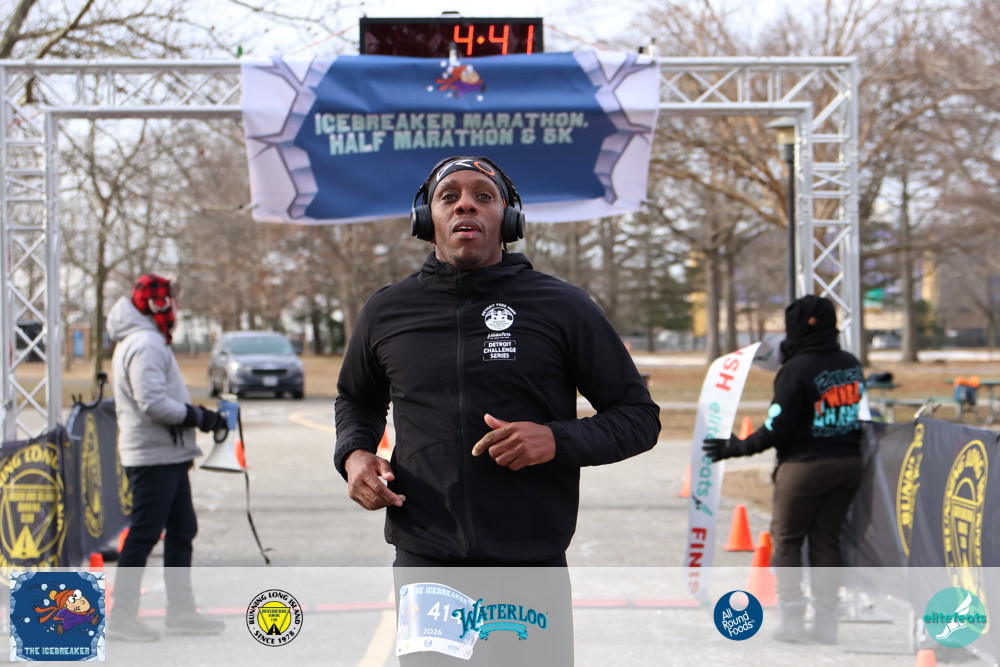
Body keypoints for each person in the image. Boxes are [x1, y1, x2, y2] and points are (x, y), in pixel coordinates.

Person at [334, 156, 660, 664]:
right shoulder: (387, 310)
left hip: (528, 562)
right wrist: (354, 454)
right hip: (427, 560)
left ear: (508, 218)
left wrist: (556, 440)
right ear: (426, 219)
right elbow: (357, 398)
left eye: (483, 196)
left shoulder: (563, 306)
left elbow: (638, 416)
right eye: (449, 196)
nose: (465, 204)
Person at [703, 294, 865, 645]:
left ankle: (792, 617)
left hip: (805, 466)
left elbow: (778, 428)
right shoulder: (850, 363)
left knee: (788, 540)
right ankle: (826, 621)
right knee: (826, 541)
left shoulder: (796, 370)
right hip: (849, 463)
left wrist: (735, 447)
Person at [105, 274, 227, 641]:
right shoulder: (145, 343)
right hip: (153, 456)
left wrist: (196, 416)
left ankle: (181, 611)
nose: (177, 307)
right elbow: (153, 402)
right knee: (144, 533)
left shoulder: (144, 339)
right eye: (172, 300)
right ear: (159, 305)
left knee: (182, 530)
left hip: (165, 453)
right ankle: (121, 615)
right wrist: (199, 417)